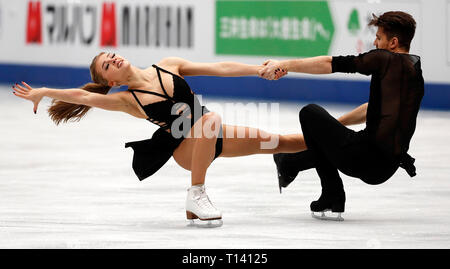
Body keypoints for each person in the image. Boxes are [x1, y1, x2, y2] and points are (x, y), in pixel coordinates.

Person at [12, 54, 308, 227]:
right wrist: (44, 91)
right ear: (112, 82)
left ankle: (332, 137)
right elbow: (84, 96)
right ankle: (197, 192)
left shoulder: (168, 65)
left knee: (281, 141)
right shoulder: (128, 100)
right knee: (210, 119)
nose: (113, 58)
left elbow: (217, 68)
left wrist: (257, 70)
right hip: (183, 147)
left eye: (110, 54)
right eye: (107, 65)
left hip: (210, 136)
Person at [258, 11, 424, 221]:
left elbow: (330, 63)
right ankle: (291, 163)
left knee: (309, 113)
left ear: (393, 42)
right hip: (386, 168)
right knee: (323, 129)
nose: (374, 42)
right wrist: (331, 127)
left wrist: (285, 65)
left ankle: (331, 193)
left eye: (379, 37)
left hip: (363, 158)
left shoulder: (384, 59)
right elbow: (371, 109)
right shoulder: (414, 71)